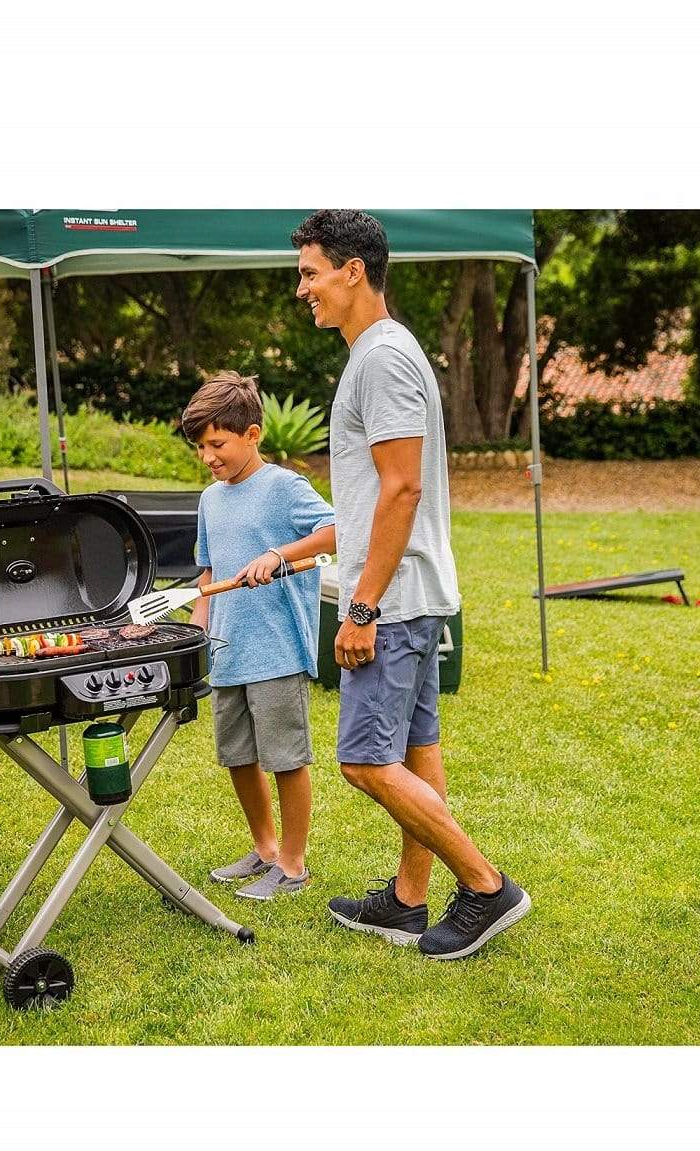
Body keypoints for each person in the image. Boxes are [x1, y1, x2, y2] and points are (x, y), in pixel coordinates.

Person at [290, 210, 531, 960]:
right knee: (417, 749)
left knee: (365, 760)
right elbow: (377, 495)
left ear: (352, 270)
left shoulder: (383, 359)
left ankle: (486, 885)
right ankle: (406, 900)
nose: (302, 289)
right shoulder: (380, 351)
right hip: (412, 594)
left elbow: (401, 490)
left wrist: (361, 606)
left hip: (391, 601)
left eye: (309, 273)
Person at [184, 371, 336, 901]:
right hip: (229, 651)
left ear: (252, 434)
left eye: (217, 444)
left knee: (285, 758)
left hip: (277, 650)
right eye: (201, 447)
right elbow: (209, 574)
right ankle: (265, 848)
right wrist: (198, 629)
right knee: (238, 756)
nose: (208, 457)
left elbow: (336, 530)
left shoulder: (284, 487)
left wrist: (278, 554)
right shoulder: (210, 499)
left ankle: (293, 864)